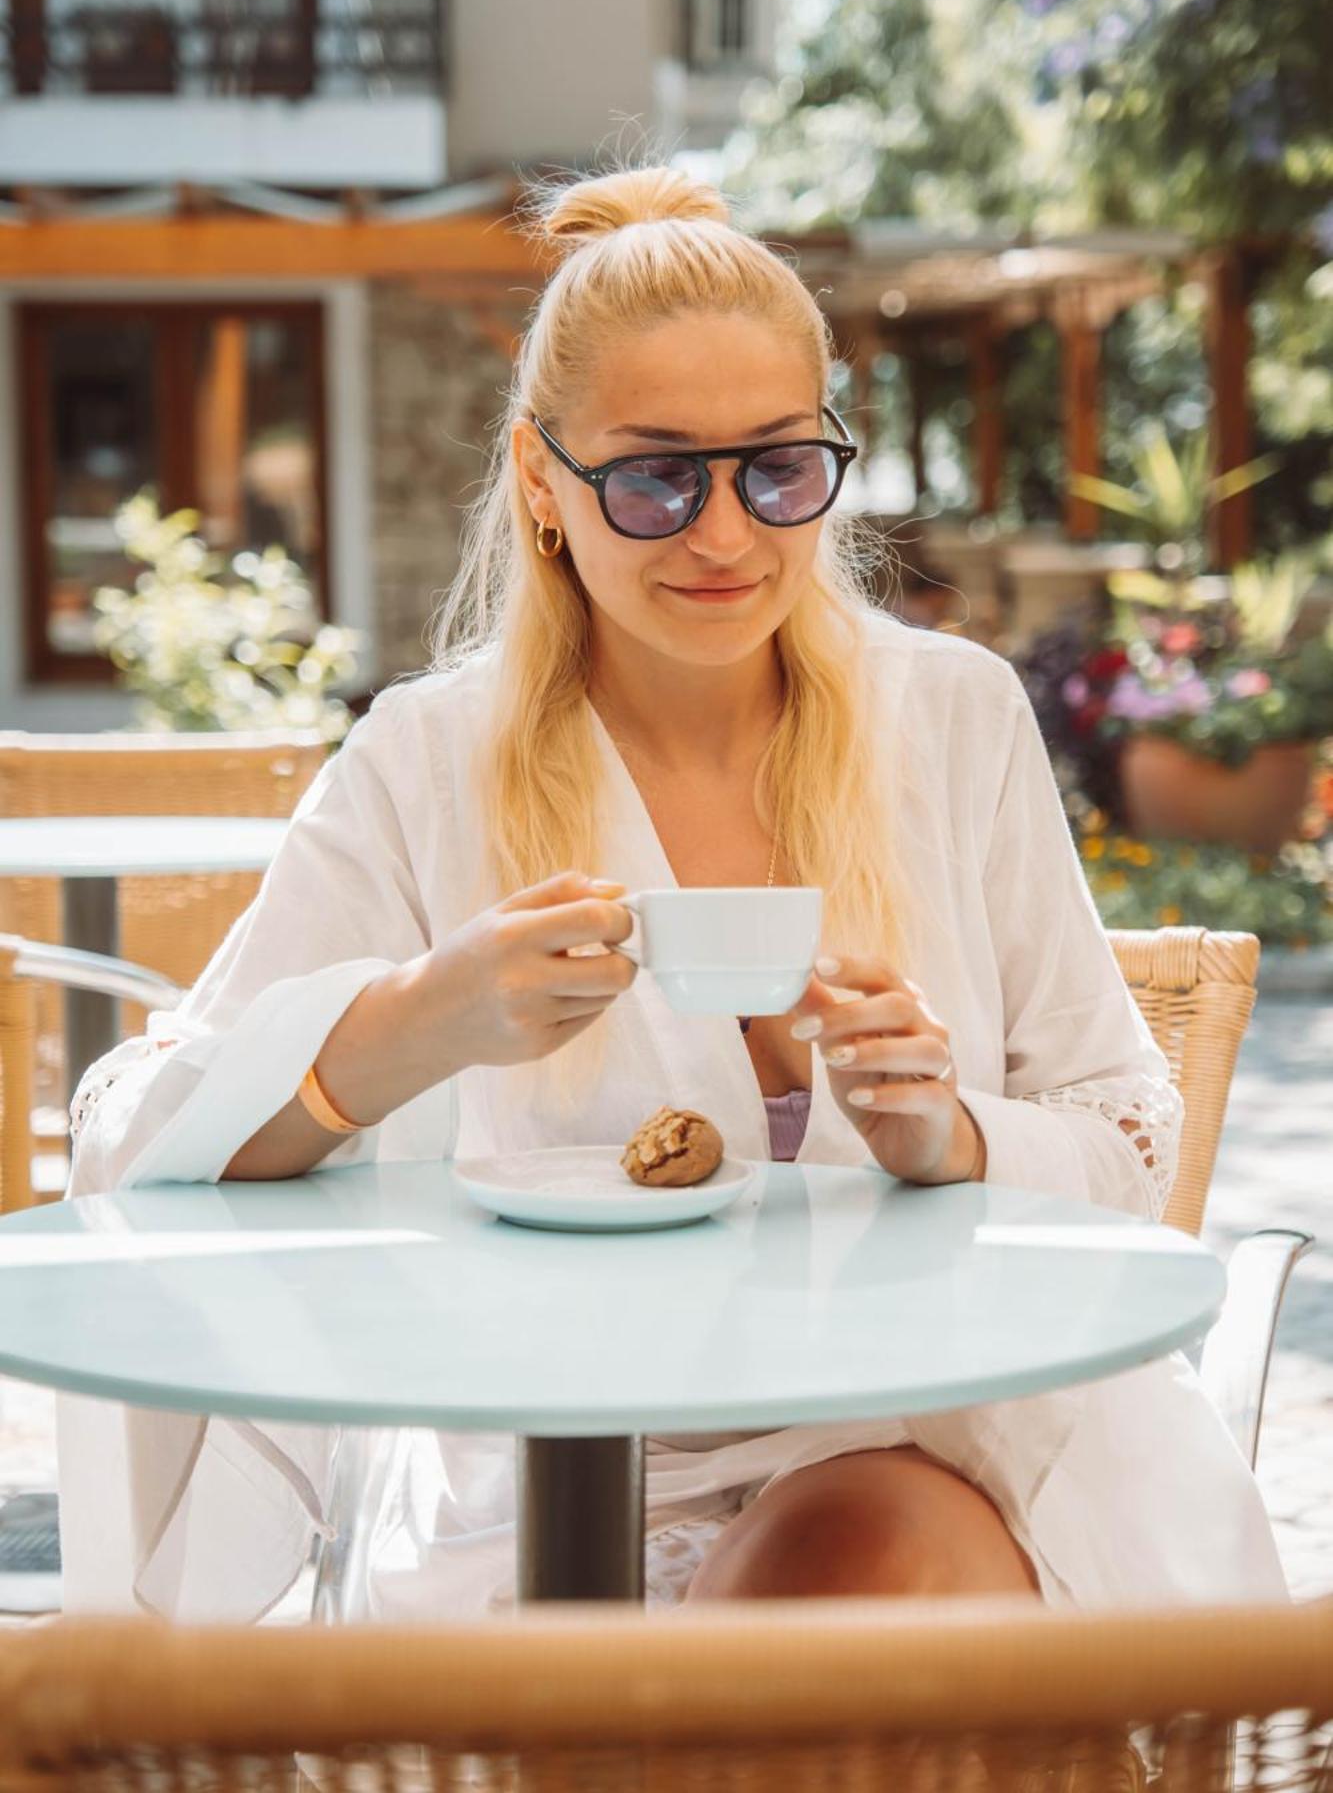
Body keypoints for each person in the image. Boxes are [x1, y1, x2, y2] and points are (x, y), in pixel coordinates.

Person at [60, 165, 1286, 1621]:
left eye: (776, 469)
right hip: (542, 1461)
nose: (723, 538)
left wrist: (941, 1131)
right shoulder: (428, 761)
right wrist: (416, 1019)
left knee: (848, 1574)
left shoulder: (946, 719)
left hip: (909, 1423)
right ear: (541, 483)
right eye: (653, 477)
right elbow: (145, 1146)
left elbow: (1123, 1139)